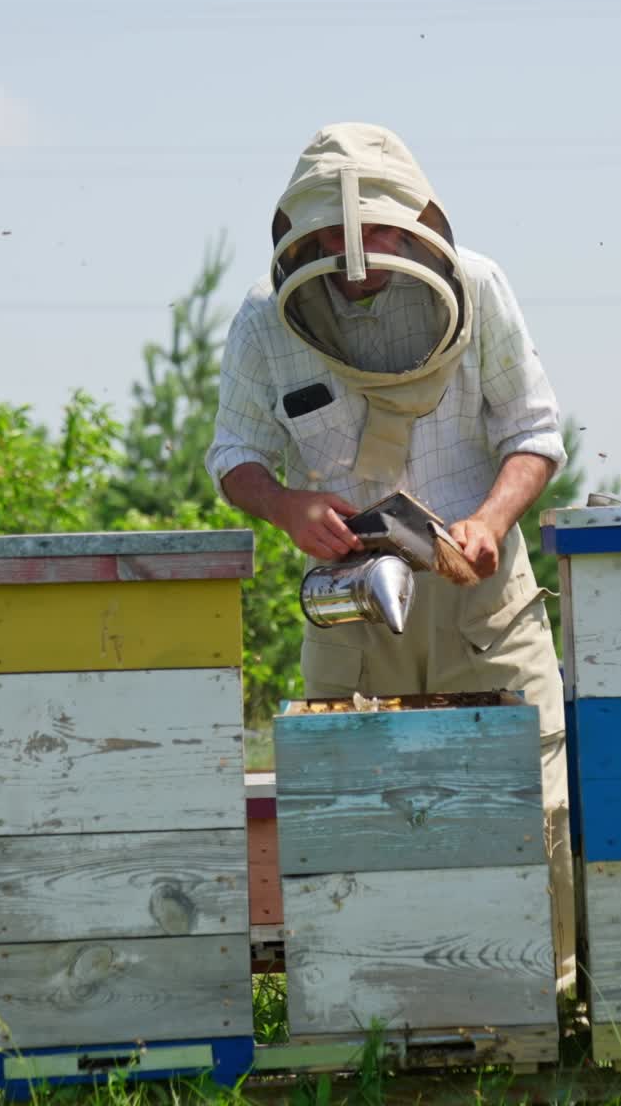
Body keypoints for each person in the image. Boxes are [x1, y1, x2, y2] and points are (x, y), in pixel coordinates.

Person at [205, 121, 574, 988]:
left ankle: (545, 1005)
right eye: (333, 236)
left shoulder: (479, 287)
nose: (357, 255)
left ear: (415, 219)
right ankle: (365, 1006)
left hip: (483, 599)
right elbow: (233, 453)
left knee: (534, 803)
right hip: (351, 603)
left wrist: (487, 521)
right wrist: (287, 504)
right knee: (350, 814)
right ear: (300, 233)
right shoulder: (266, 319)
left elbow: (535, 433)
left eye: (373, 231)